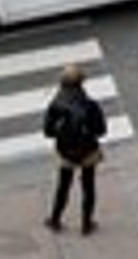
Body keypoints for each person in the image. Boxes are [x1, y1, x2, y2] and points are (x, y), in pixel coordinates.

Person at [42, 65, 108, 235]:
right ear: (81, 83)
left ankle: (55, 219)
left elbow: (48, 132)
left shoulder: (55, 105)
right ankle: (86, 224)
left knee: (63, 186)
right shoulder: (90, 105)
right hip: (88, 151)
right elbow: (101, 130)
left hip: (66, 151)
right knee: (88, 186)